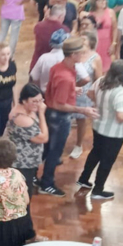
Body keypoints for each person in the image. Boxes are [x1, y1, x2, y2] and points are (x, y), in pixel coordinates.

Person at [38, 37, 98, 197]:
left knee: (47, 149)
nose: (83, 55)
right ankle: (47, 183)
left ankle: (36, 178)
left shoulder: (59, 68)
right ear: (73, 55)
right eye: (80, 53)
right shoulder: (65, 76)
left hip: (52, 115)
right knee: (55, 152)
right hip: (59, 117)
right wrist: (83, 110)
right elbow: (59, 104)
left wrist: (72, 87)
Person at [78, 60, 123, 201]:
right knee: (107, 161)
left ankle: (84, 178)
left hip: (98, 126)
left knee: (95, 153)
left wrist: (101, 105)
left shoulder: (101, 81)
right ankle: (98, 190)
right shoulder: (120, 93)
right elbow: (121, 116)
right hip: (114, 133)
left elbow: (90, 94)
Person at [4, 84, 48, 192]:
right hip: (21, 164)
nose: (39, 105)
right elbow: (43, 138)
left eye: (40, 100)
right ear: (24, 101)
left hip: (28, 162)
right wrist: (42, 114)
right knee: (23, 197)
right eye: (34, 101)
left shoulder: (27, 109)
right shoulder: (21, 118)